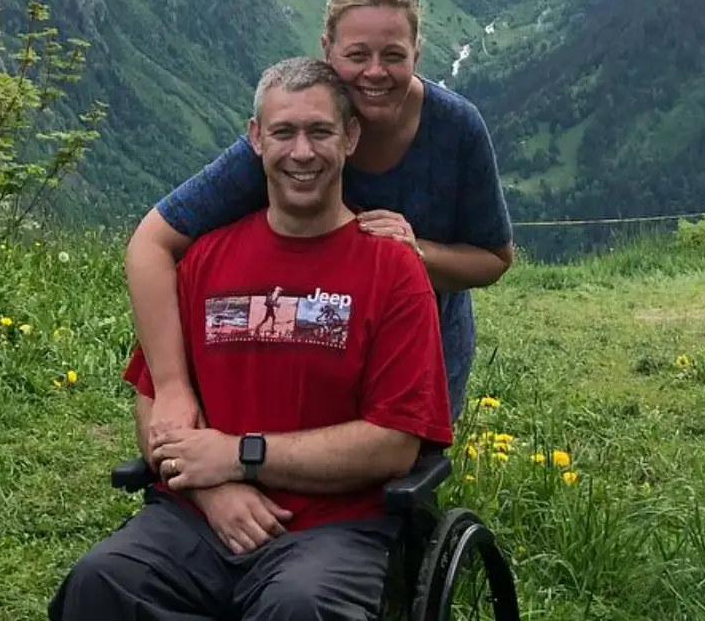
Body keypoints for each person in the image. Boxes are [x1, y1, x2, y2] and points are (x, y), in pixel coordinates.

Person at [49, 57, 452, 621]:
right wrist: (212, 492)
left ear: (350, 138)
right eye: (284, 132)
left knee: (298, 606)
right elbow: (154, 401)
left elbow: (394, 443)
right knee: (100, 582)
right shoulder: (205, 259)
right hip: (196, 518)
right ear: (256, 139)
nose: (302, 152)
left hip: (333, 528)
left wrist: (242, 456)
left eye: (320, 132)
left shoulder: (393, 271)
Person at [126, 0, 514, 434]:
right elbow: (151, 244)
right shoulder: (295, 134)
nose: (375, 71)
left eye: (393, 55)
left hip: (417, 362)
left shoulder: (456, 129)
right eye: (357, 54)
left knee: (398, 465)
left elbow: (494, 258)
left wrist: (419, 255)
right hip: (303, 360)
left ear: (417, 52)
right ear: (327, 49)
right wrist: (171, 387)